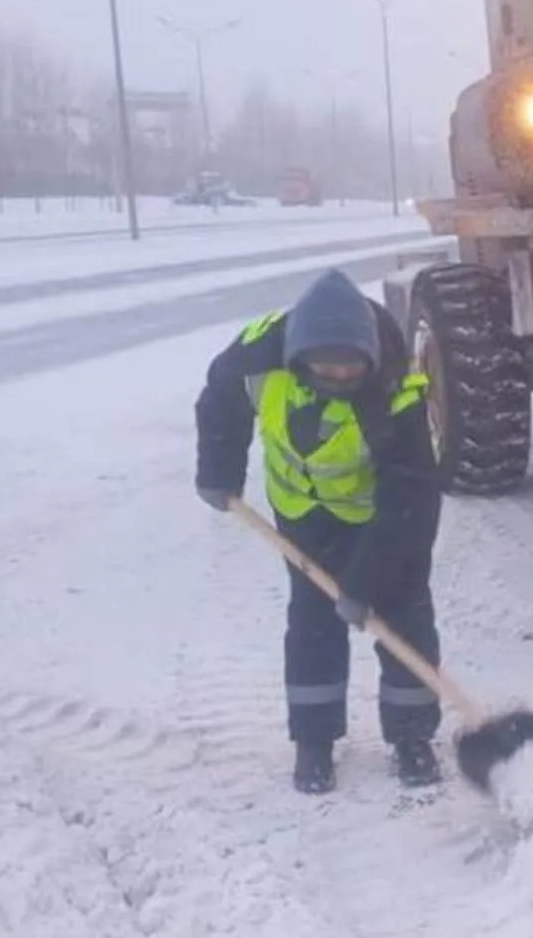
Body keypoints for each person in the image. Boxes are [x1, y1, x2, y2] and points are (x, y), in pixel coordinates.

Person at [193, 269, 445, 794]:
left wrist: (365, 583)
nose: (337, 374)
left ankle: (412, 738)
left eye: (350, 365)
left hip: (381, 518)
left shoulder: (393, 390)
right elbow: (220, 397)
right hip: (302, 516)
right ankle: (314, 742)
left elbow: (412, 500)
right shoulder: (260, 356)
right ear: (299, 353)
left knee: (402, 621)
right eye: (325, 365)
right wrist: (218, 471)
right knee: (312, 624)